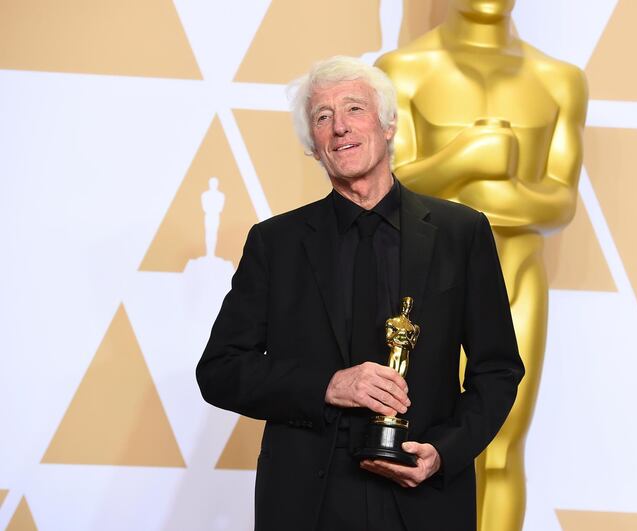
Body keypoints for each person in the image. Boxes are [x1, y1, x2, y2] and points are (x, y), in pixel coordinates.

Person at [196, 55, 524, 531]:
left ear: (388, 125)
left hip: (424, 496)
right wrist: (329, 385)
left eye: (354, 109)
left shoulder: (462, 232)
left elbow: (497, 369)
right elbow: (220, 370)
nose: (339, 128)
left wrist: (443, 453)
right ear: (313, 146)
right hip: (309, 504)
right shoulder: (276, 244)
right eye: (322, 117)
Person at [376, 1, 588, 528]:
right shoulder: (401, 70)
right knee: (409, 441)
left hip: (517, 279)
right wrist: (467, 156)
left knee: (502, 445)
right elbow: (386, 184)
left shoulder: (560, 80)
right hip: (421, 288)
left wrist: (479, 185)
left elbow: (559, 201)